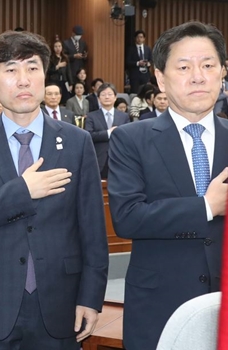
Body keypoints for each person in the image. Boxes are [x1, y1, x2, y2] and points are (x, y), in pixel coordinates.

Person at [0, 30, 108, 350]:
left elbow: (93, 229)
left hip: (61, 307)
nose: (23, 80)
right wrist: (22, 190)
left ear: (45, 76)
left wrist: (91, 298)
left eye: (32, 68)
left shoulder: (77, 142)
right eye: (10, 70)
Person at [108, 21, 228, 350]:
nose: (198, 76)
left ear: (222, 71)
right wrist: (206, 207)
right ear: (161, 77)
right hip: (159, 309)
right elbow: (128, 217)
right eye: (184, 66)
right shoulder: (131, 139)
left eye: (208, 65)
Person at [85, 82, 129, 179]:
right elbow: (88, 135)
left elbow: (128, 137)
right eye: (103, 95)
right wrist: (108, 133)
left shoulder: (124, 116)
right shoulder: (91, 116)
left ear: (115, 97)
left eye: (110, 94)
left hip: (119, 158)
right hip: (99, 159)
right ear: (98, 98)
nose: (107, 97)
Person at [126, 30, 153, 96]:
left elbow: (151, 60)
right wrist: (138, 63)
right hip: (135, 75)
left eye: (141, 37)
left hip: (145, 74)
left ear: (144, 39)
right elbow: (127, 62)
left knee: (146, 91)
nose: (139, 39)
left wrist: (149, 63)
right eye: (138, 37)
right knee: (135, 92)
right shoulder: (131, 49)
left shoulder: (147, 48)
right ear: (135, 38)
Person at [47, 40, 72, 105]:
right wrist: (57, 66)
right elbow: (48, 71)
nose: (58, 48)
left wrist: (71, 83)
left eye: (59, 46)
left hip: (64, 81)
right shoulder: (50, 58)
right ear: (53, 47)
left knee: (65, 99)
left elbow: (68, 71)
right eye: (56, 46)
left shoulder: (65, 58)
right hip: (54, 81)